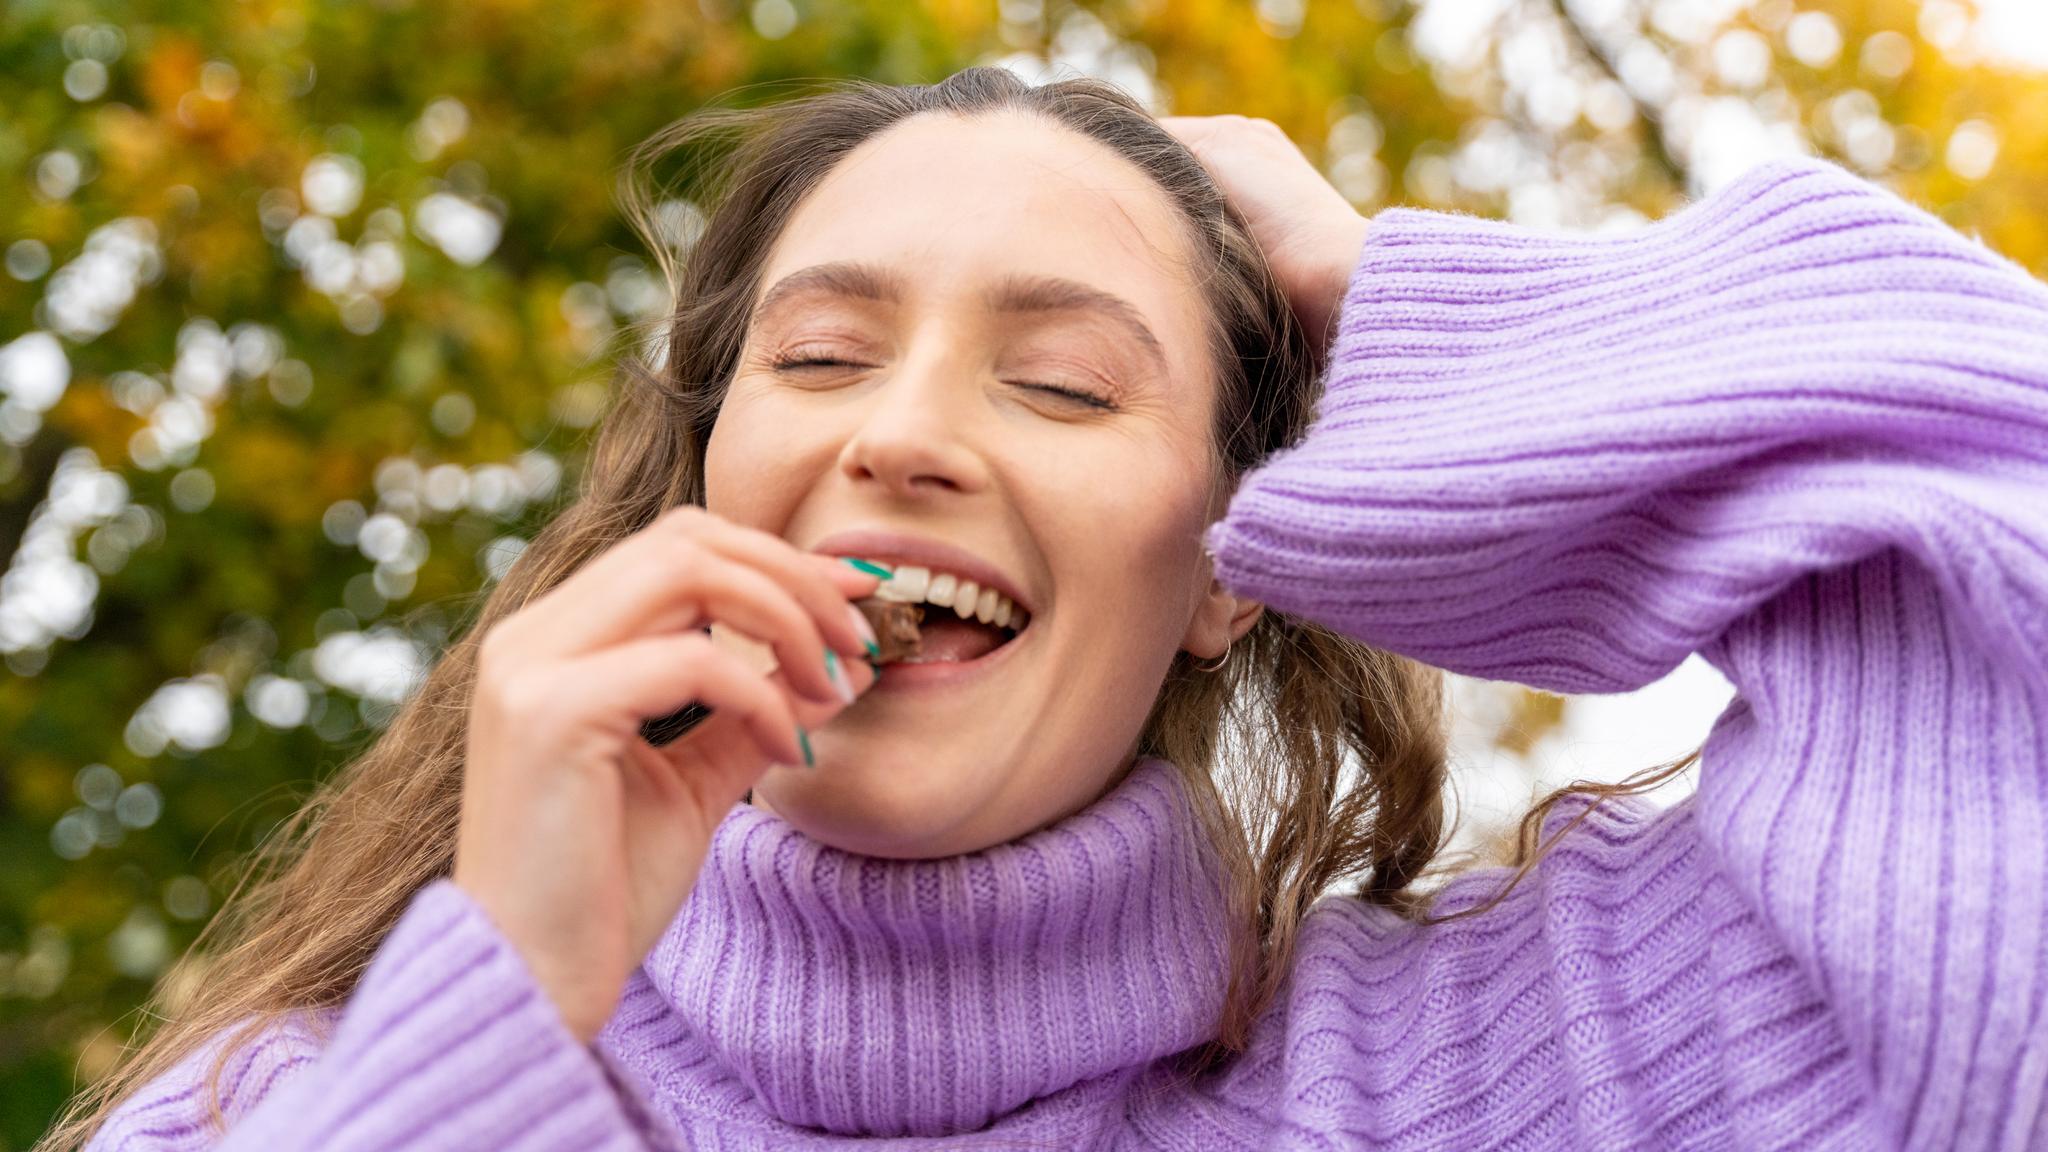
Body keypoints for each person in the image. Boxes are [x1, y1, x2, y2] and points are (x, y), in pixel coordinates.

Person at [46, 66, 2047, 1151]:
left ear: (1224, 576)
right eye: (819, 362)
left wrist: (1413, 309)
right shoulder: (274, 1118)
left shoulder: (1560, 1070)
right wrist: (510, 991)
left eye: (1067, 381)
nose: (903, 434)